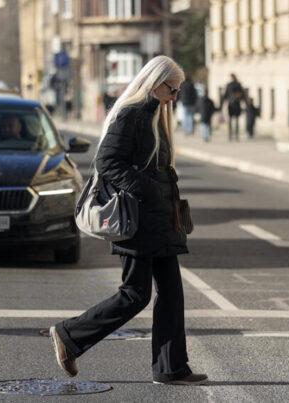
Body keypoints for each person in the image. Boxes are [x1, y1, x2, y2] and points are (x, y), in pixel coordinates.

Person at [49, 55, 208, 386]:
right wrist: (148, 190)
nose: (175, 96)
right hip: (138, 218)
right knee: (135, 293)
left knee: (172, 293)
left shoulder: (154, 114)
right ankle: (70, 334)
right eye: (173, 89)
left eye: (178, 90)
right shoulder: (132, 113)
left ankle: (171, 368)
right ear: (156, 82)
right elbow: (107, 161)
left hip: (158, 219)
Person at [223, 73, 244, 141]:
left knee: (230, 121)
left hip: (231, 104)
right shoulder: (238, 85)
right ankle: (236, 135)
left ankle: (230, 135)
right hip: (237, 104)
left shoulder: (229, 85)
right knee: (236, 120)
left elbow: (225, 95)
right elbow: (242, 94)